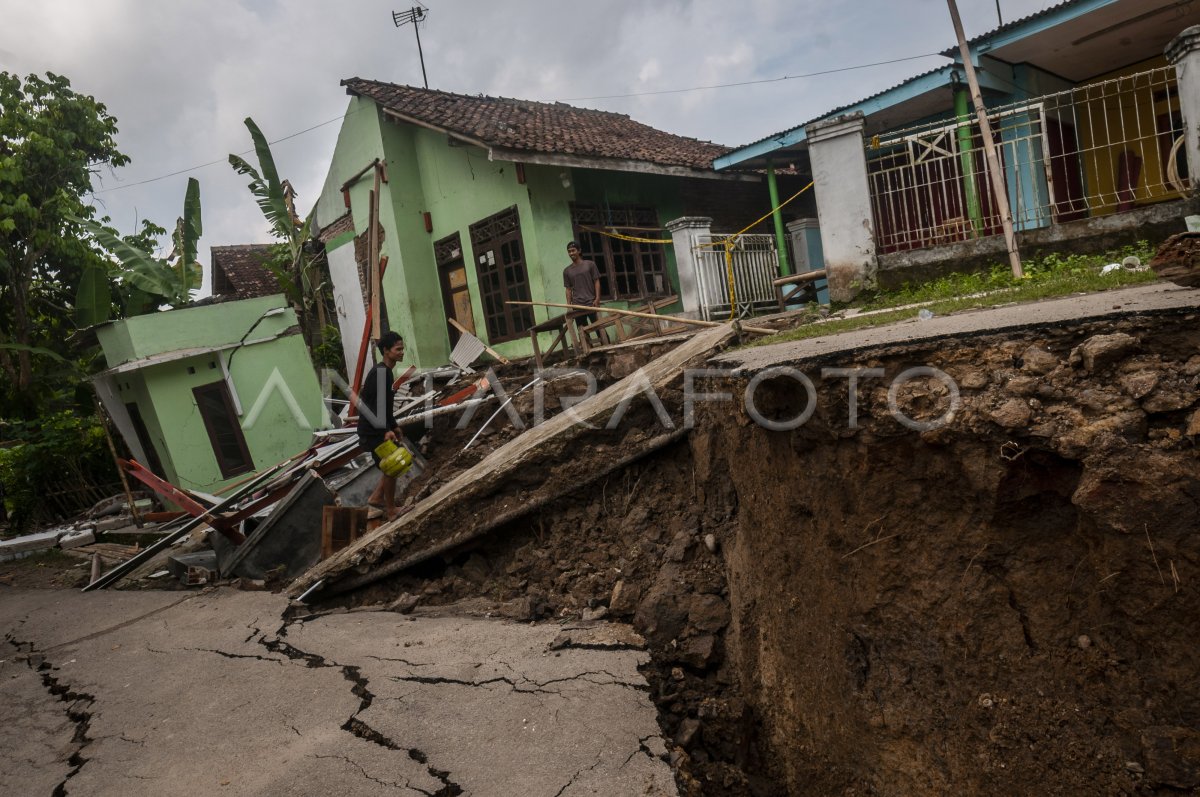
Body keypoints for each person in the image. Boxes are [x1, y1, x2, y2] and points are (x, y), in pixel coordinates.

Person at [357, 330, 406, 520]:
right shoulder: (381, 373)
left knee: (391, 465)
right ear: (386, 351)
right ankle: (391, 509)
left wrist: (393, 425)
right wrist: (385, 431)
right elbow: (375, 407)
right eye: (398, 349)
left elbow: (384, 405)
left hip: (376, 427)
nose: (402, 352)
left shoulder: (385, 372)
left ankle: (376, 498)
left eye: (402, 349)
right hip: (373, 430)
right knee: (392, 464)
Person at [563, 241, 601, 331]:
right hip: (577, 306)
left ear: (579, 251)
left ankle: (606, 343)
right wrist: (569, 306)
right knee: (583, 332)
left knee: (599, 329)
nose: (571, 253)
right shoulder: (567, 271)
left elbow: (596, 281)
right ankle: (587, 346)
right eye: (569, 251)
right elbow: (568, 289)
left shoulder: (590, 264)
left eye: (573, 250)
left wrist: (597, 298)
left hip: (591, 303)